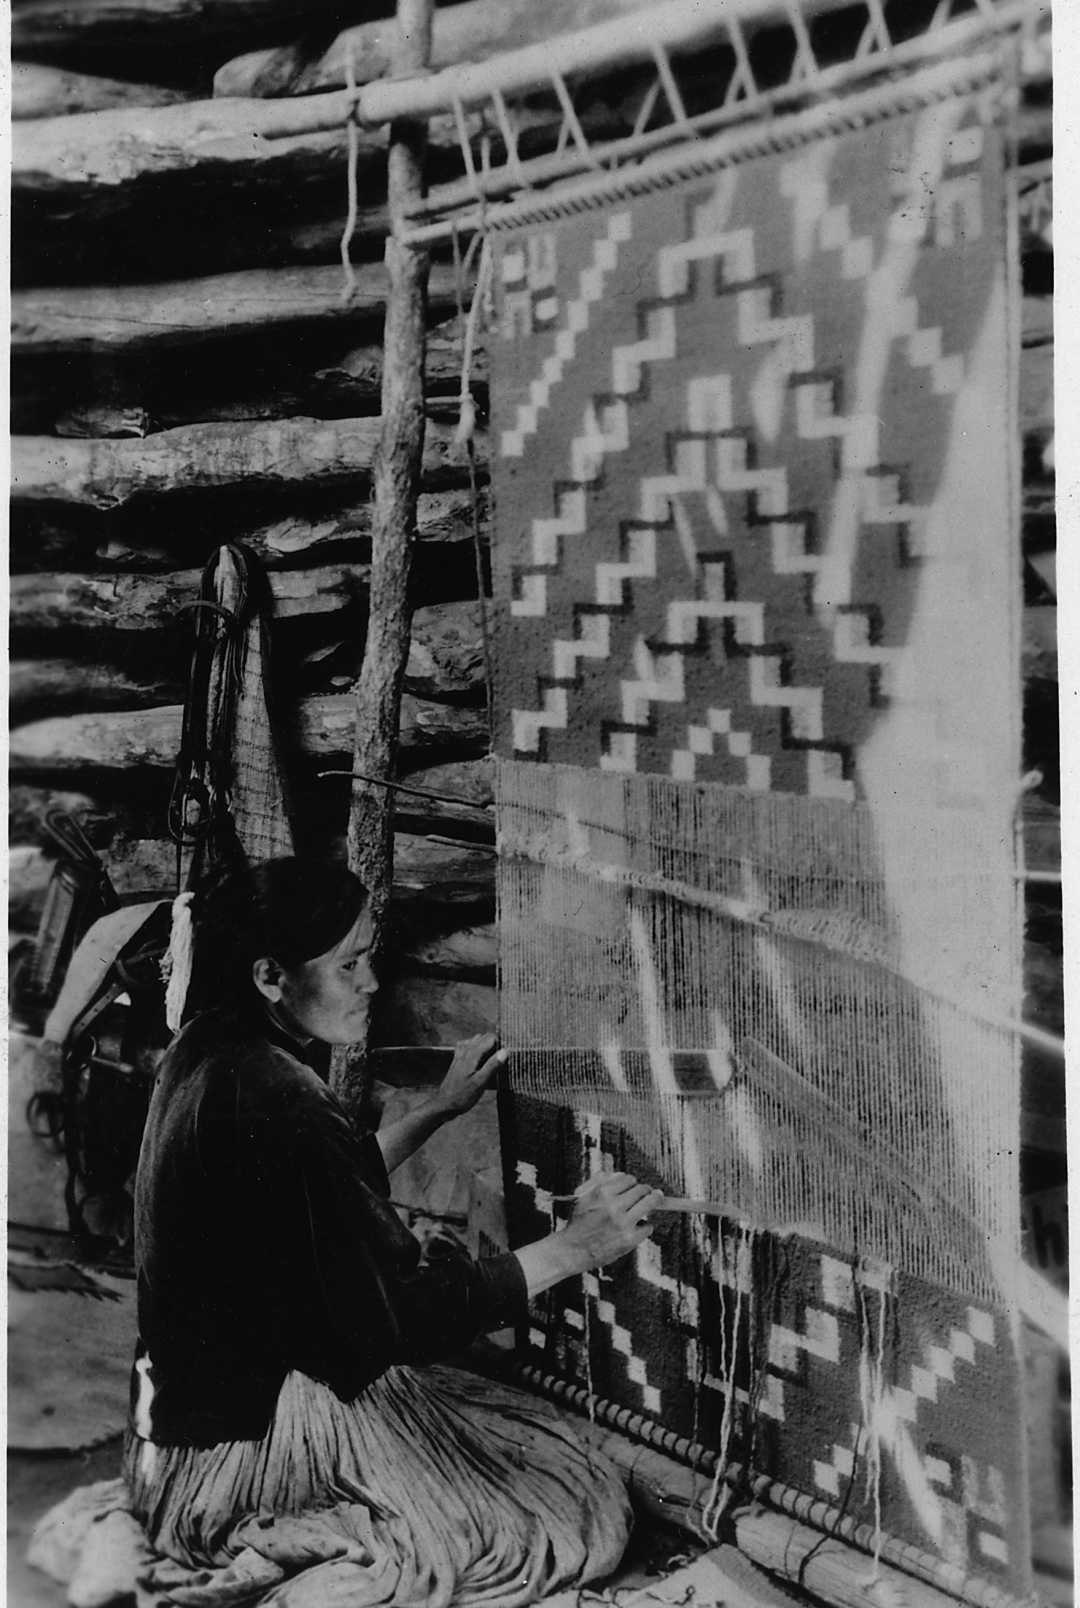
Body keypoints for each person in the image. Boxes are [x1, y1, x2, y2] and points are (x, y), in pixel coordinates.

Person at [33, 856, 664, 1608]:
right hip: (246, 1447)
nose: (372, 982)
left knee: (515, 1443)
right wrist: (578, 1247)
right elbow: (396, 1320)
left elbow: (312, 1196)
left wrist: (437, 1109)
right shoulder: (280, 1095)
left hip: (181, 1426)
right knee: (570, 1508)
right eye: (350, 964)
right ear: (270, 975)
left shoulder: (209, 1050)